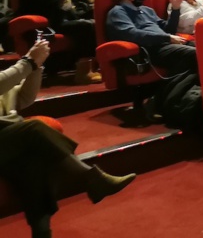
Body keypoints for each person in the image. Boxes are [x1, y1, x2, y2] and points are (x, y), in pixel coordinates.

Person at [0, 38, 135, 238]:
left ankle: (42, 232)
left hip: (10, 138)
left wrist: (37, 65)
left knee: (32, 163)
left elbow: (24, 98)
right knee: (35, 128)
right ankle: (91, 178)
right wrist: (28, 62)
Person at [17, 0, 101, 84]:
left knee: (95, 22)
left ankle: (89, 66)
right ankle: (83, 71)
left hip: (66, 17)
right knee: (86, 26)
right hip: (50, 21)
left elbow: (74, 0)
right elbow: (43, 3)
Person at [105, 0, 197, 76]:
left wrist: (176, 9)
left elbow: (169, 30)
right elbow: (132, 34)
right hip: (151, 50)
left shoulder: (146, 10)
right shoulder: (117, 12)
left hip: (166, 44)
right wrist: (167, 38)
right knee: (197, 54)